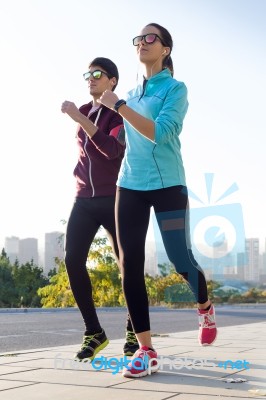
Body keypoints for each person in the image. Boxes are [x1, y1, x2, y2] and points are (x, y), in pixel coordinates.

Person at [98, 24, 218, 378]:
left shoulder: (176, 90)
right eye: (138, 39)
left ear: (165, 49)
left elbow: (160, 134)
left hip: (168, 185)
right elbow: (121, 136)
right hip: (130, 185)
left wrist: (119, 106)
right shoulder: (131, 93)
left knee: (180, 258)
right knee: (129, 264)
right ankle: (146, 350)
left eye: (150, 38)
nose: (142, 42)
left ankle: (205, 306)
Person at [61, 57, 138, 361]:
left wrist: (82, 121)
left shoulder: (119, 113)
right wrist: (82, 118)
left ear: (112, 81)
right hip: (84, 199)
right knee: (72, 260)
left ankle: (135, 329)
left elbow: (113, 150)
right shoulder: (84, 110)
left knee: (127, 265)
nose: (90, 79)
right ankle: (94, 332)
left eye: (97, 74)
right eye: (88, 74)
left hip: (115, 197)